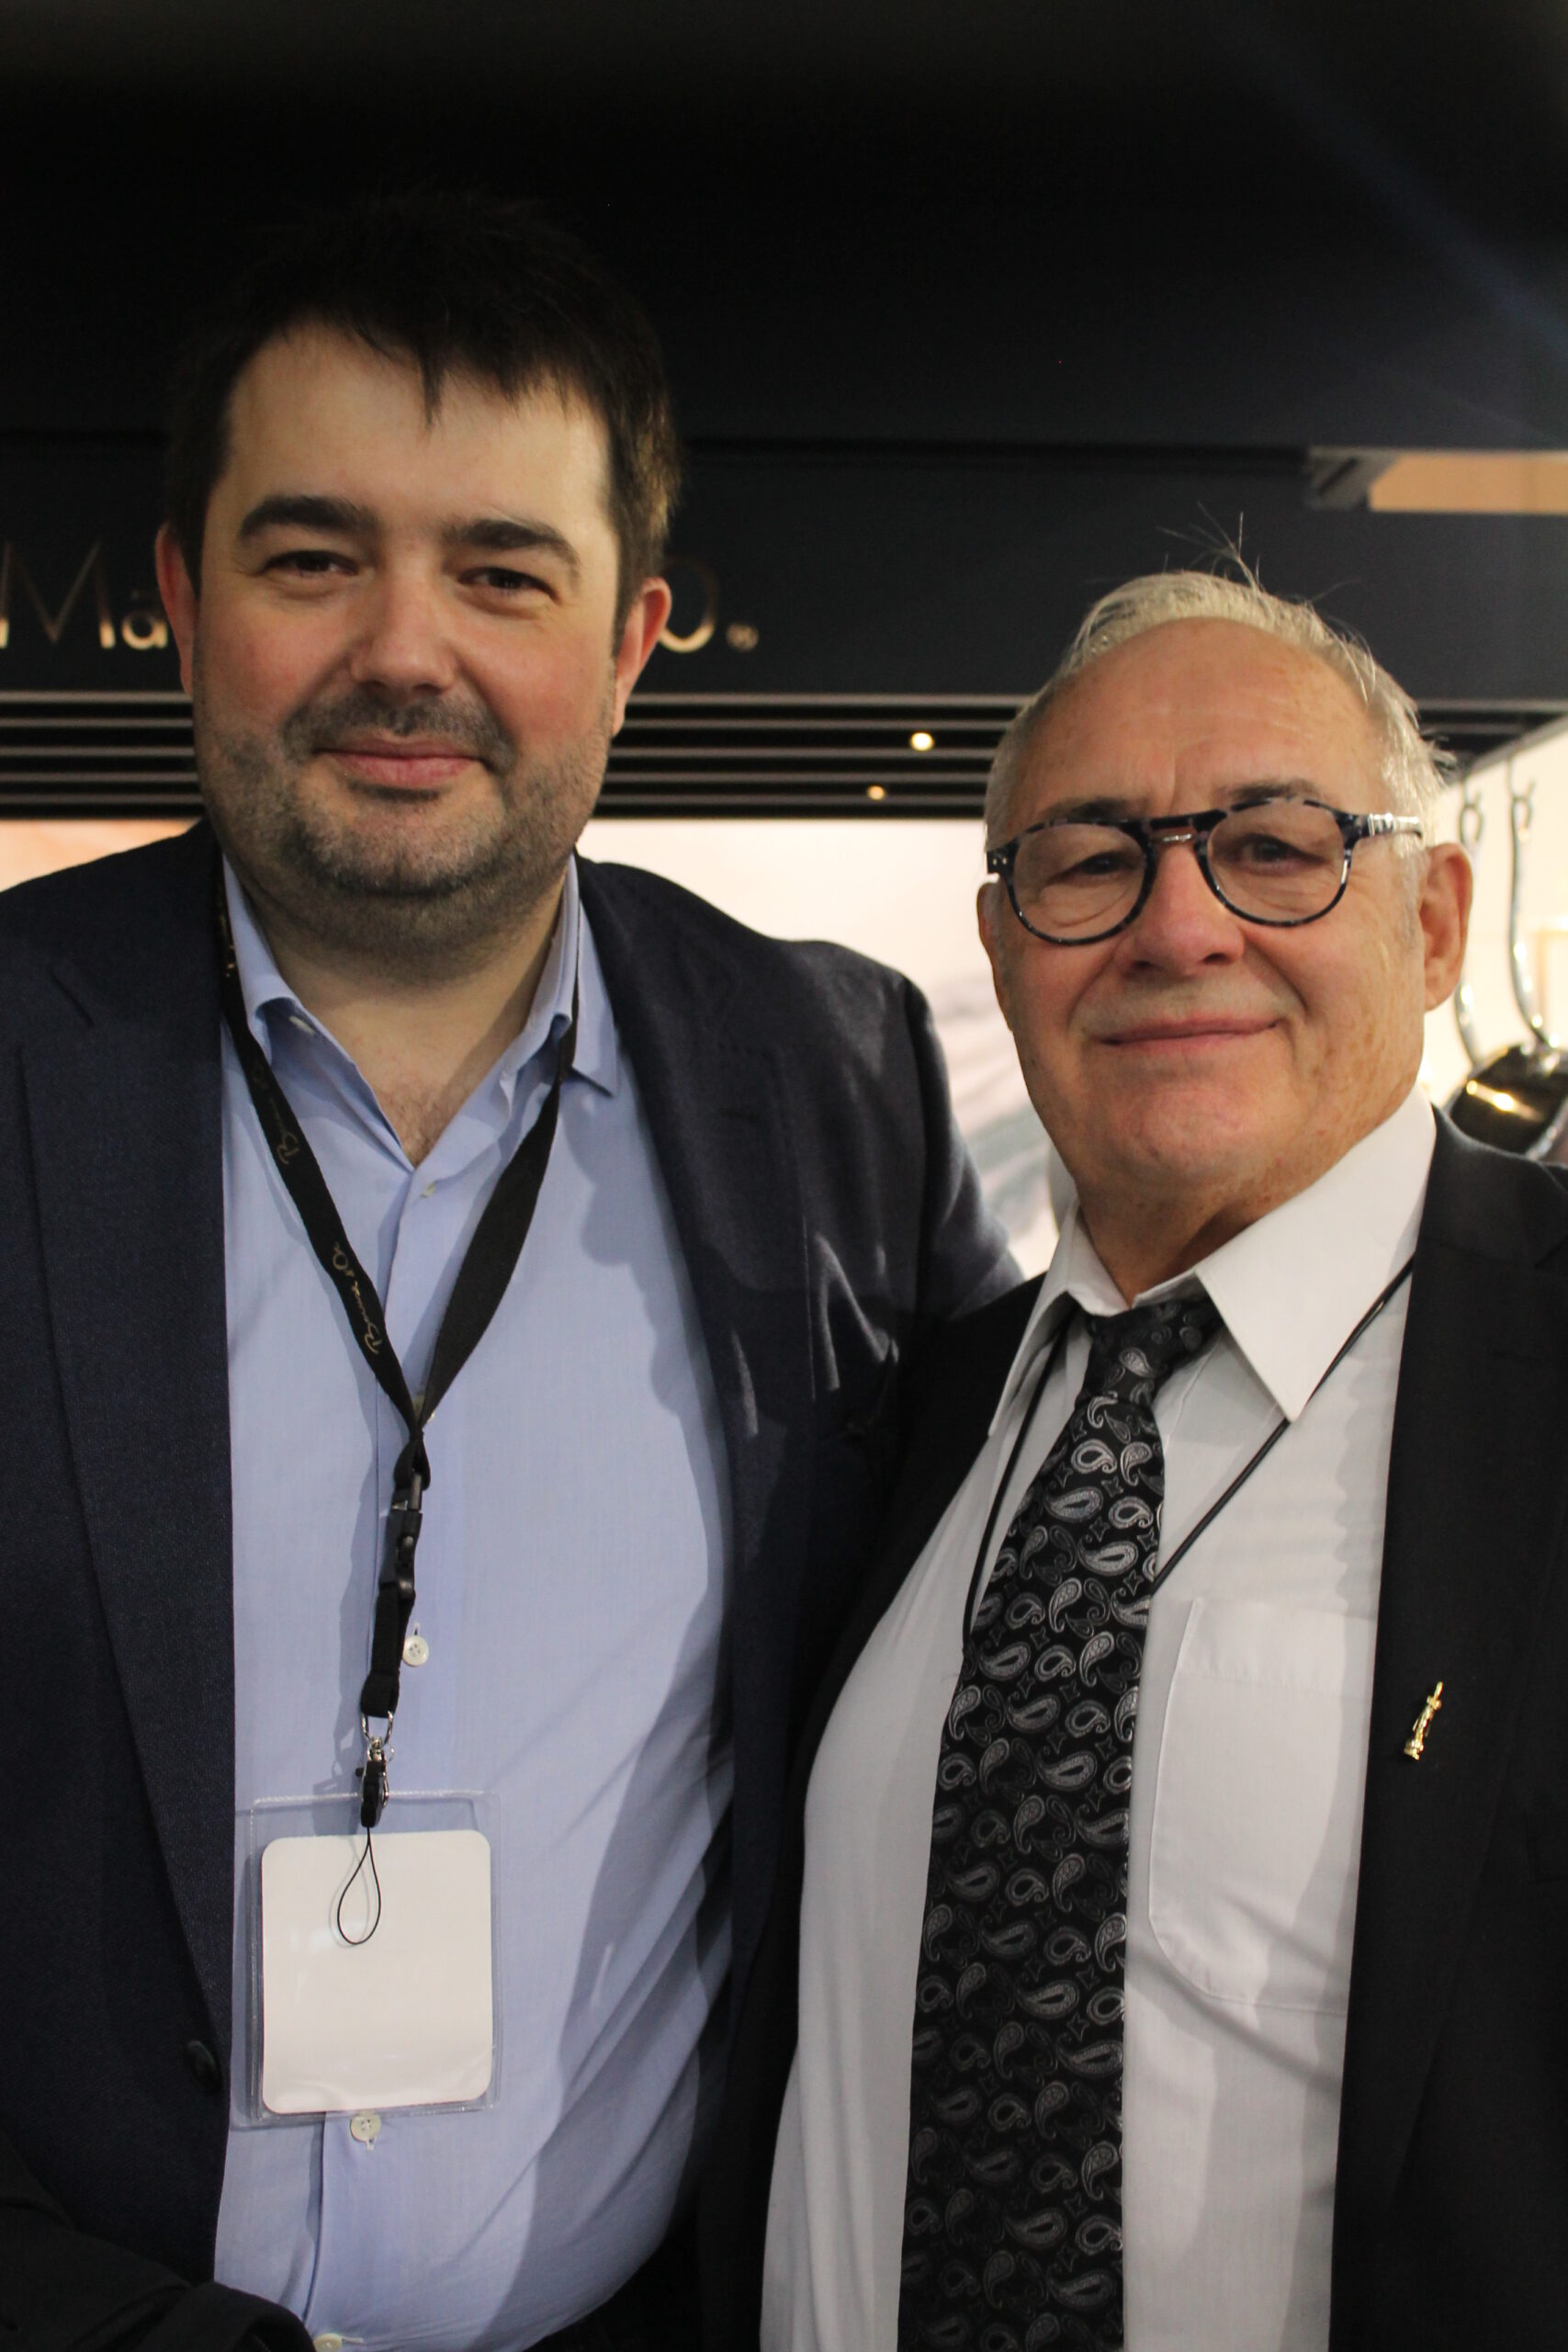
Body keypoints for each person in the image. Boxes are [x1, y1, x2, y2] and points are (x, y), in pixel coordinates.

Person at [0, 192, 1013, 2352]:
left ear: (629, 636)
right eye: (312, 557)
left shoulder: (831, 1079)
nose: (406, 650)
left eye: (499, 570)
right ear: (180, 599)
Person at [702, 568, 1568, 2351]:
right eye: (1090, 860)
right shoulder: (911, 1416)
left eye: (1273, 846)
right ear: (1004, 946)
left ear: (1431, 926)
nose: (1177, 928)